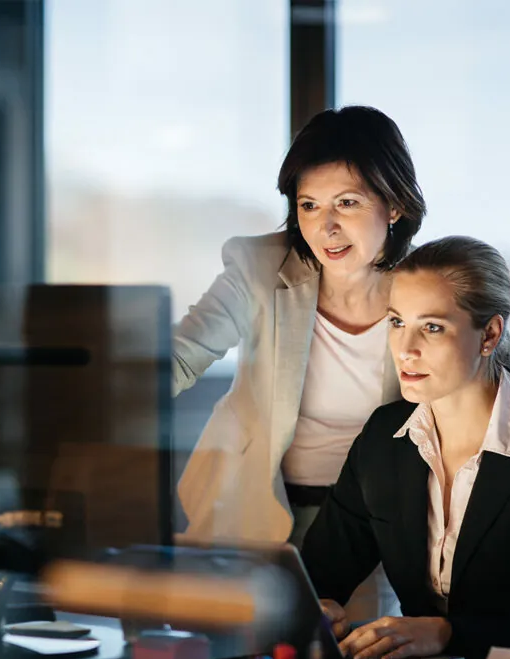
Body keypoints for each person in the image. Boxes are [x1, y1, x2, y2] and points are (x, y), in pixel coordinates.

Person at [301, 236, 510, 659]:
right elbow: (318, 574)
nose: (405, 349)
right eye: (396, 323)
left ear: (489, 334)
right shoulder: (383, 440)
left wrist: (450, 634)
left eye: (432, 327)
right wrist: (315, 607)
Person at [172, 106, 425, 563]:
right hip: (250, 504)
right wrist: (106, 400)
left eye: (347, 203)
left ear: (395, 205)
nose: (325, 227)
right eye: (309, 205)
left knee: (358, 635)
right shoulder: (258, 268)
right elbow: (181, 357)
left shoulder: (431, 286)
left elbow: (504, 394)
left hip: (379, 522)